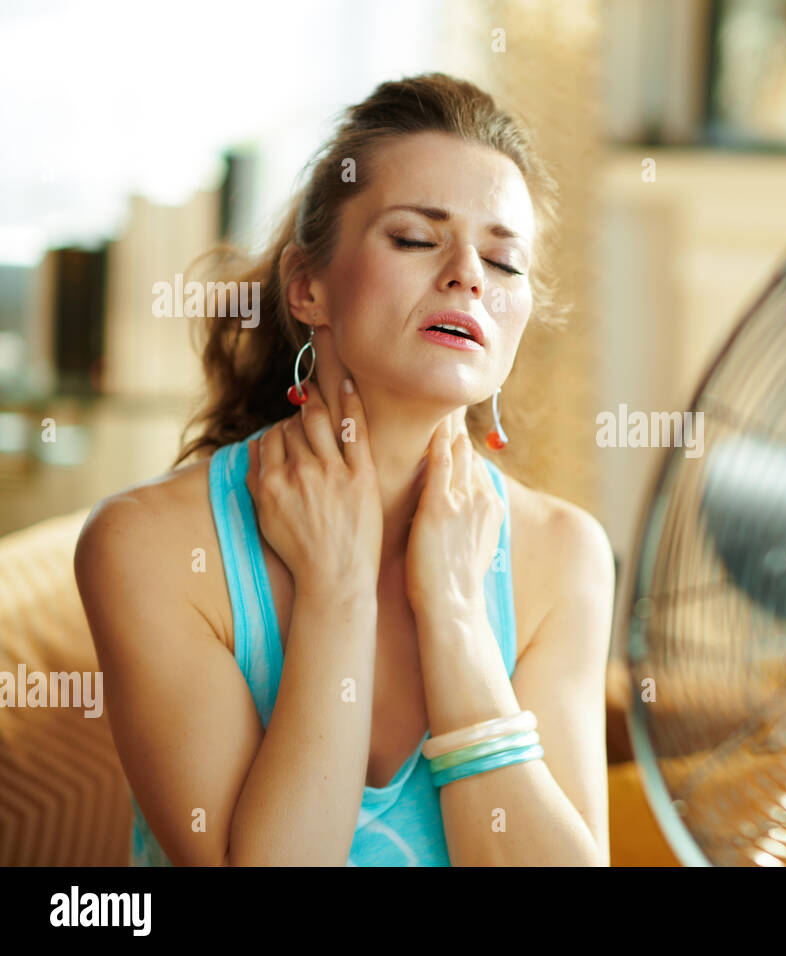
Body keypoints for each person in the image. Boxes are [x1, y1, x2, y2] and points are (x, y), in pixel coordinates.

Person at [73, 73, 614, 866]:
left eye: (505, 261)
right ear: (308, 286)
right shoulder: (148, 545)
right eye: (414, 239)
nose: (468, 274)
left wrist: (459, 617)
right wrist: (337, 593)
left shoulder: (564, 555)